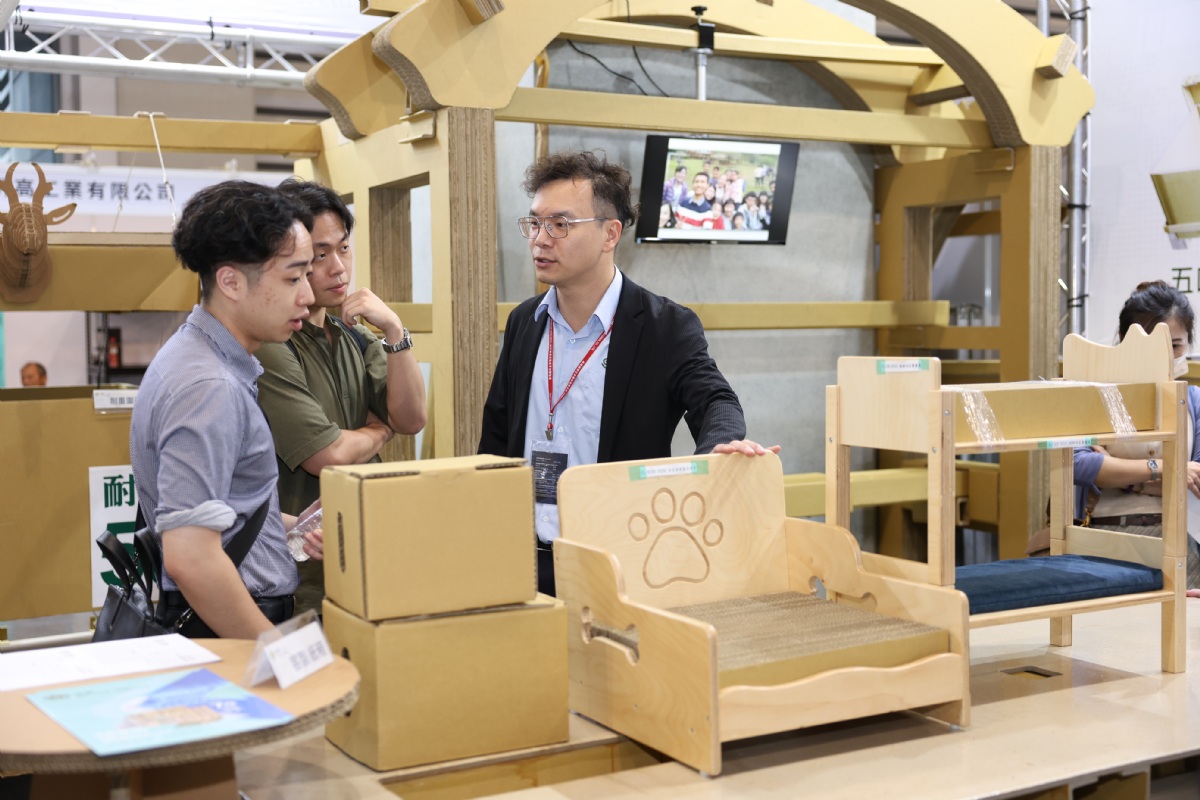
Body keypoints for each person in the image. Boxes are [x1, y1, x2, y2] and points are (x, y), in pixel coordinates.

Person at [479, 151, 778, 596]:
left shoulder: (664, 325)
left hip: (619, 564)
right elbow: (498, 434)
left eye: (560, 224)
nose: (540, 239)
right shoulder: (526, 321)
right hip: (524, 560)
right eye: (535, 223)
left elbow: (716, 400)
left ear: (610, 233)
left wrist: (716, 451)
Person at [130, 180, 323, 639]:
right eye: (292, 278)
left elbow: (218, 510)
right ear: (231, 281)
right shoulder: (208, 386)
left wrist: (291, 524)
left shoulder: (200, 357)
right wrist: (275, 652)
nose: (308, 296)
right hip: (229, 632)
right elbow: (191, 555)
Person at [257, 179, 426, 615]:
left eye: (344, 248)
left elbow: (411, 419)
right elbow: (326, 455)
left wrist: (395, 332)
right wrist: (378, 431)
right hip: (300, 577)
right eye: (320, 255)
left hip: (369, 556)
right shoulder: (273, 345)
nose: (339, 268)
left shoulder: (354, 336)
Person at [1073, 280, 1200, 597]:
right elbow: (1079, 464)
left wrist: (1120, 472)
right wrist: (1168, 469)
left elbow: (1196, 478)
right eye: (1151, 345)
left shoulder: (1194, 400)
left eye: (1175, 346)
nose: (1165, 356)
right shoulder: (1095, 395)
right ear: (1123, 340)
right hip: (1104, 537)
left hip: (1180, 541)